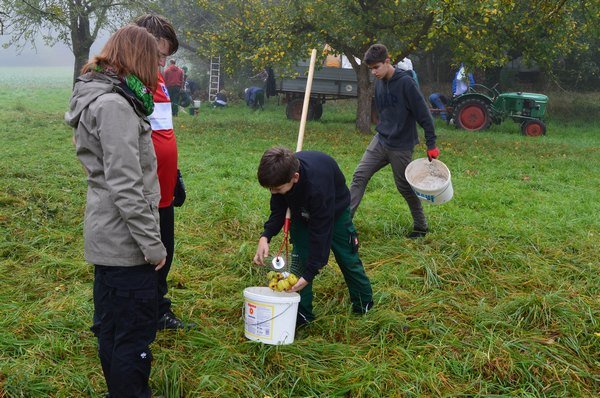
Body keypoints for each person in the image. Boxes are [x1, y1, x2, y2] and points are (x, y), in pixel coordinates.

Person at [65, 25, 167, 397]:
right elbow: (126, 185)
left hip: (106, 234)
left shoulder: (101, 97)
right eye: (157, 59)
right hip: (126, 244)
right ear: (139, 58)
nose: (160, 67)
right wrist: (152, 245)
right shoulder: (115, 106)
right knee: (132, 336)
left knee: (111, 329)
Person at [253, 147, 374, 327]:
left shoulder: (318, 188)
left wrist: (310, 274)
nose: (273, 192)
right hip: (300, 212)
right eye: (270, 188)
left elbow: (321, 234)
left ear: (295, 177)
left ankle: (364, 304)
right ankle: (302, 314)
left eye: (276, 188)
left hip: (333, 212)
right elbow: (278, 209)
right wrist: (266, 236)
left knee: (347, 257)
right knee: (300, 259)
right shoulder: (280, 177)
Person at [134, 13, 195, 331]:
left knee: (165, 253)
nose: (162, 63)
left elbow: (160, 131)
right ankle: (144, 313)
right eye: (159, 55)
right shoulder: (130, 81)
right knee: (149, 256)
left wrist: (176, 174)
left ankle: (158, 308)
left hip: (165, 187)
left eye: (166, 57)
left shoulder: (155, 78)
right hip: (146, 189)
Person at [349, 44, 440, 239]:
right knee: (359, 176)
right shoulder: (379, 82)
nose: (374, 72)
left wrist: (431, 144)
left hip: (401, 146)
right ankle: (343, 223)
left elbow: (424, 115)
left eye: (376, 67)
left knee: (404, 187)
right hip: (381, 140)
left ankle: (421, 227)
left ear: (388, 61)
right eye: (371, 69)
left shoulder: (406, 83)